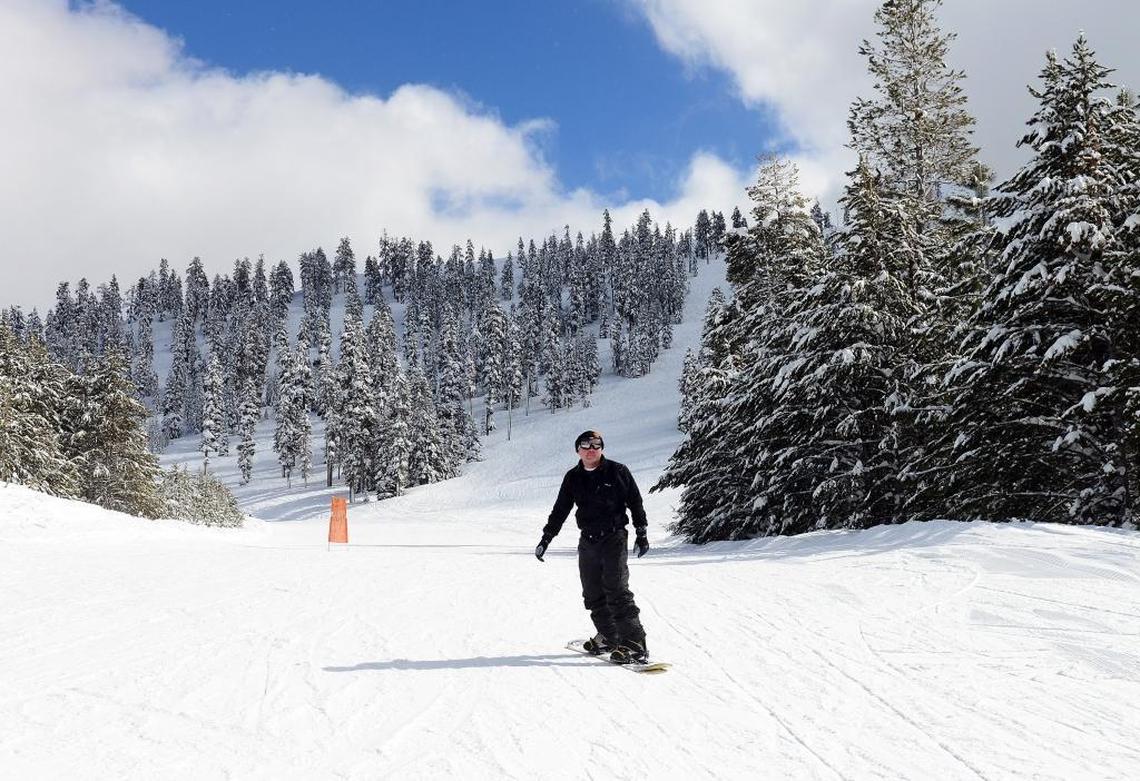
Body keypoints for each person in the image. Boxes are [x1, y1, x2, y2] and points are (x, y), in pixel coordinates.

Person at [535, 430, 650, 664]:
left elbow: (635, 502)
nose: (591, 449)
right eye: (586, 445)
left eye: (596, 445)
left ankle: (635, 643)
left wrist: (642, 531)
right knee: (592, 593)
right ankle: (609, 636)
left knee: (616, 589)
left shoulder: (618, 471)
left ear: (602, 448)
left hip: (614, 537)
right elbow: (561, 509)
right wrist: (546, 537)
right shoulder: (573, 477)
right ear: (578, 450)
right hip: (587, 540)